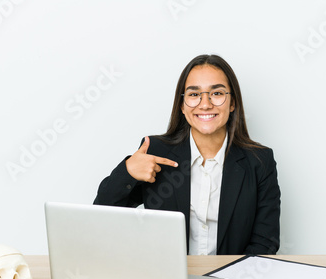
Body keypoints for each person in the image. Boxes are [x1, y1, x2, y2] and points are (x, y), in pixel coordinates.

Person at [94, 54, 281, 255]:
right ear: (182, 105)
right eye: (194, 95)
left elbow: (265, 242)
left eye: (216, 93)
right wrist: (127, 171)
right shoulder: (156, 152)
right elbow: (102, 216)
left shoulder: (260, 162)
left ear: (232, 103)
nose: (205, 104)